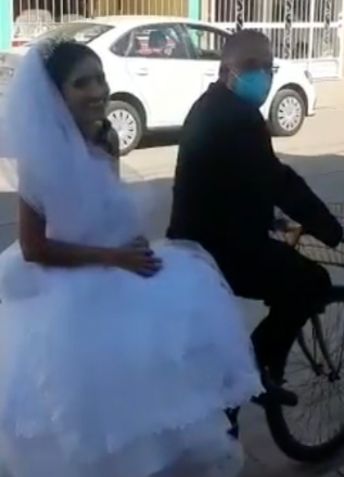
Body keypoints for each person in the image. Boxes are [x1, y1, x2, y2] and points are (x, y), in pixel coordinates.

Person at [0, 41, 262, 477]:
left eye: (100, 78)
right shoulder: (38, 160)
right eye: (81, 82)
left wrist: (130, 241)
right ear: (56, 94)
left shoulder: (107, 136)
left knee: (160, 379)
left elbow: (108, 202)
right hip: (65, 284)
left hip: (119, 262)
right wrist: (114, 256)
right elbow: (35, 248)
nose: (97, 90)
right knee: (88, 405)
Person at [167, 31, 344, 419]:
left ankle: (246, 374)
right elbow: (278, 181)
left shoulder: (208, 105)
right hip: (221, 250)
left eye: (268, 67)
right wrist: (334, 232)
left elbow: (233, 179)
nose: (263, 76)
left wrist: (272, 219)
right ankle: (249, 374)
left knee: (288, 278)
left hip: (199, 240)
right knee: (312, 283)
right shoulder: (240, 118)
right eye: (252, 67)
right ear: (227, 70)